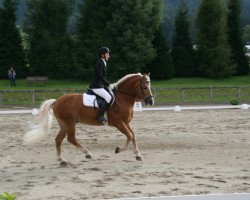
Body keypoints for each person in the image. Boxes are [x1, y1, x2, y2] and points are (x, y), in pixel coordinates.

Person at [89, 47, 112, 123]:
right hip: (96, 86)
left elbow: (104, 77)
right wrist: (108, 84)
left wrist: (111, 84)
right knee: (108, 97)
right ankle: (100, 116)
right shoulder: (100, 62)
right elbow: (100, 76)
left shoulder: (104, 62)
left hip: (101, 85)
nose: (109, 55)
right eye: (107, 54)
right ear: (103, 55)